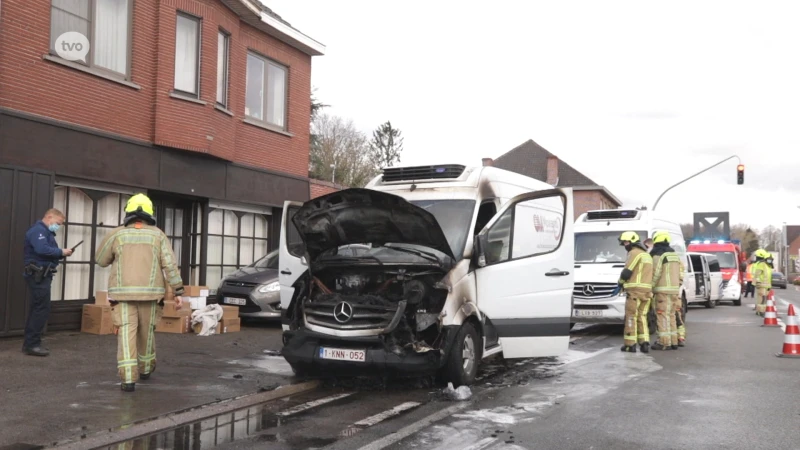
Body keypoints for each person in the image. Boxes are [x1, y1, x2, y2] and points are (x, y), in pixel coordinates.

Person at [95, 193, 185, 392]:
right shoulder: (158, 235)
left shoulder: (117, 234)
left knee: (126, 333)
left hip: (122, 296)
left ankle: (128, 379)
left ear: (128, 211)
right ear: (150, 212)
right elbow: (169, 265)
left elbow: (101, 259)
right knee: (147, 332)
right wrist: (178, 290)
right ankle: (145, 369)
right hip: (152, 296)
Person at [22, 209, 74, 356]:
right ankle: (32, 345)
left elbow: (47, 252)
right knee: (41, 309)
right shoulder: (38, 231)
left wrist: (61, 254)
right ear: (49, 217)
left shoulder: (46, 232)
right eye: (58, 223)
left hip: (42, 275)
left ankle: (31, 343)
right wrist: (60, 252)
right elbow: (41, 249)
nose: (58, 226)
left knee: (38, 308)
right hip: (38, 275)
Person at [617, 231, 654, 353]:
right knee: (642, 317)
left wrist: (620, 282)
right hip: (647, 291)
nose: (624, 245)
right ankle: (644, 343)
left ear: (632, 242)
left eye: (626, 242)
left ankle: (630, 344)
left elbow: (627, 271)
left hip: (634, 291)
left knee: (631, 317)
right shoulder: (647, 255)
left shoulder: (634, 253)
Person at [649, 231, 682, 350]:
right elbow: (680, 272)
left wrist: (650, 287)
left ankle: (663, 343)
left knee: (662, 315)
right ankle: (673, 341)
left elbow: (656, 273)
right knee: (671, 315)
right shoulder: (674, 255)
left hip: (662, 290)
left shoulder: (659, 255)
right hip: (674, 290)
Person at [753, 249, 771, 316]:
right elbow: (757, 275)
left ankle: (760, 311)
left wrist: (769, 286)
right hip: (762, 285)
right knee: (762, 299)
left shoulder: (765, 265)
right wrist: (758, 282)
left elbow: (767, 277)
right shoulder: (762, 264)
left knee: (762, 299)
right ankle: (761, 311)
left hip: (765, 285)